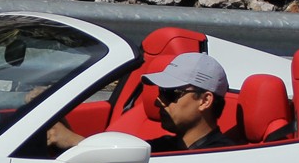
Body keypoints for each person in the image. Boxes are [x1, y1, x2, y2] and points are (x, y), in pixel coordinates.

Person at [46, 52, 234, 153]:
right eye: (161, 91)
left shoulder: (222, 157)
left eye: (171, 93)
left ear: (205, 100)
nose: (160, 101)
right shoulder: (167, 145)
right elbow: (121, 160)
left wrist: (75, 141)